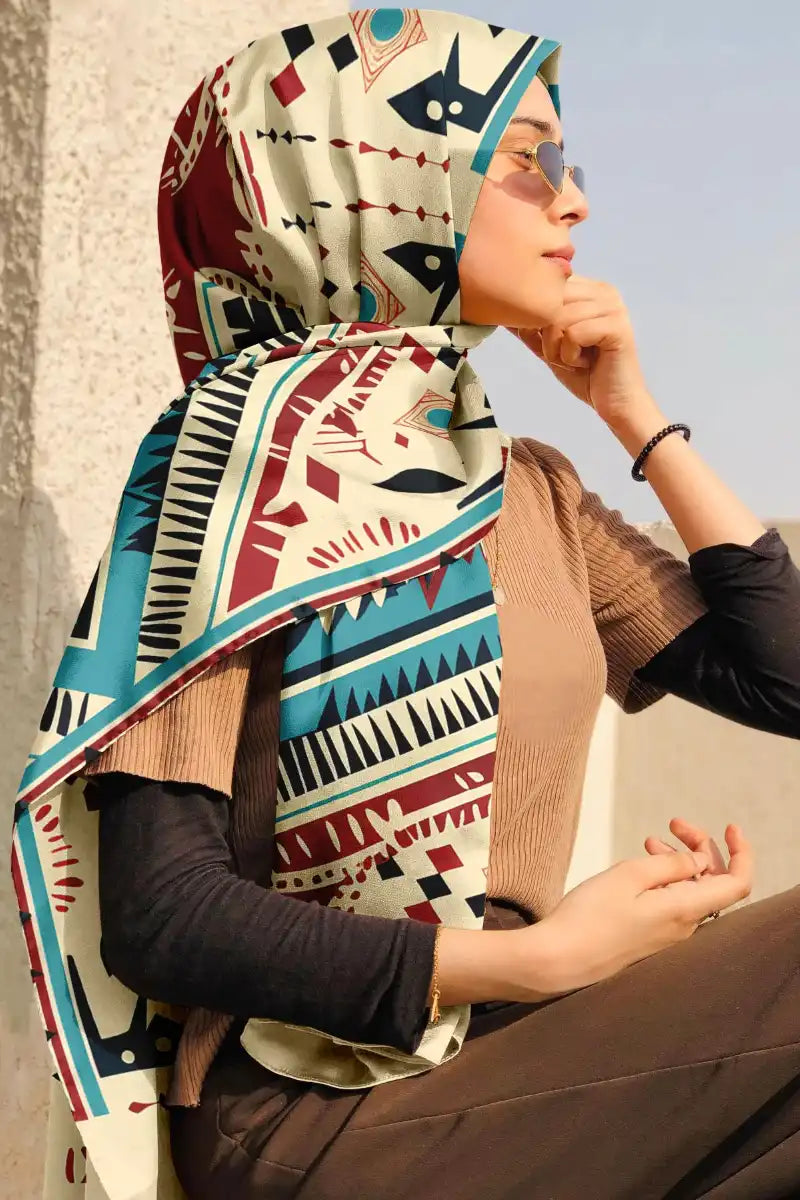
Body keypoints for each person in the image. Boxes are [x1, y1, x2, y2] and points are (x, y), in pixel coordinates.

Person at [12, 9, 800, 1200]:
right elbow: (164, 916)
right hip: (313, 1104)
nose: (573, 201)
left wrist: (632, 416)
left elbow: (780, 679)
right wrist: (539, 958)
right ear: (379, 182)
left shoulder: (525, 490)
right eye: (526, 158)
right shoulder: (227, 487)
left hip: (524, 1056)